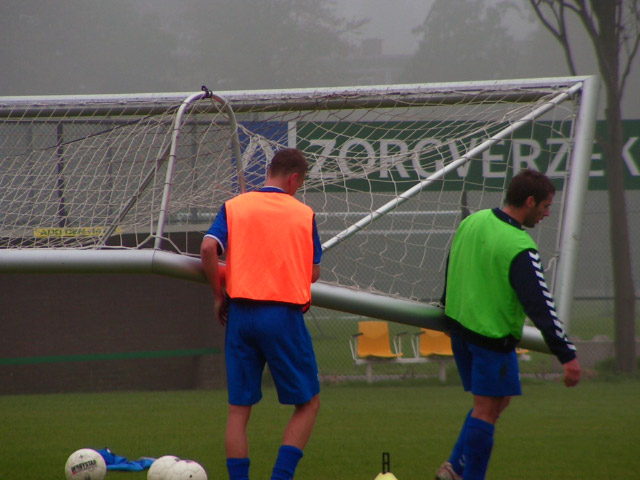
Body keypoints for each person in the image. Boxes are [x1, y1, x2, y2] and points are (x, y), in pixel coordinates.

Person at [435, 169, 581, 480]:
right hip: (491, 338)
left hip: (461, 330)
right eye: (545, 206)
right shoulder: (519, 245)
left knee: (496, 402)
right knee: (487, 410)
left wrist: (446, 306)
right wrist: (567, 355)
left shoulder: (472, 221)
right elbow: (540, 305)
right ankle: (464, 473)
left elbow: (452, 263)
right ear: (529, 202)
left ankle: (454, 468)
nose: (547, 214)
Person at [200, 148, 322, 480]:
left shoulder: (235, 207)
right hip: (282, 316)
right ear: (294, 178)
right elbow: (313, 273)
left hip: (239, 315)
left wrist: (216, 295)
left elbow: (208, 248)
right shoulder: (303, 214)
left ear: (269, 171)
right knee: (308, 404)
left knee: (238, 411)